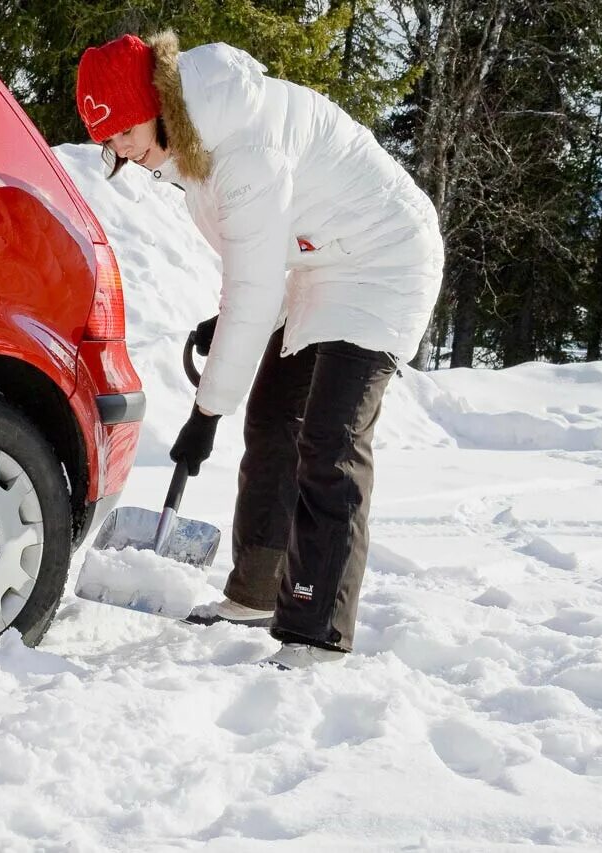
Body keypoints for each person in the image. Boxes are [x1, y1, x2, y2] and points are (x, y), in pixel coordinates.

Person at [76, 32, 443, 669]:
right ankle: (257, 592)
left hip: (386, 262)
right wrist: (232, 324)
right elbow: (259, 269)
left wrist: (204, 413)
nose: (120, 150)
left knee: (330, 439)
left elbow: (254, 279)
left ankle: (316, 630)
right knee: (274, 418)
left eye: (124, 131)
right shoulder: (197, 144)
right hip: (319, 266)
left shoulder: (243, 147)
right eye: (107, 141)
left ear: (157, 103)